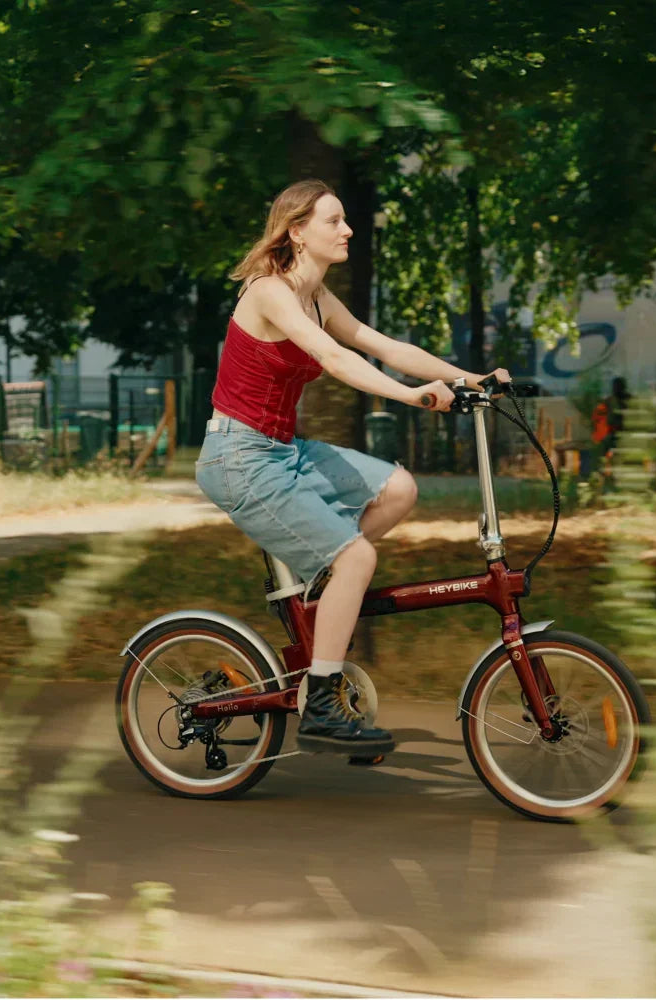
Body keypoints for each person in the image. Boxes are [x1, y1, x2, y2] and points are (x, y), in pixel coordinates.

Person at [195, 179, 510, 757]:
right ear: (297, 231)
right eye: (334, 221)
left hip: (282, 451)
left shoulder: (318, 296)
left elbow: (384, 346)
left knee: (399, 488)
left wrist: (473, 380)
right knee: (358, 555)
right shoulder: (271, 293)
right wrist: (413, 397)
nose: (348, 230)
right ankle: (320, 703)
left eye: (344, 220)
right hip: (238, 459)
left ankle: (327, 590)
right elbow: (335, 358)